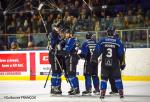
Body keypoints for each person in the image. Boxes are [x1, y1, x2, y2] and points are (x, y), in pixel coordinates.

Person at [91, 26, 126, 99]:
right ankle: (121, 93)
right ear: (114, 32)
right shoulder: (117, 41)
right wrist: (122, 63)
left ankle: (102, 93)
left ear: (107, 32)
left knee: (104, 78)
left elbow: (97, 50)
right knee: (117, 78)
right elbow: (121, 54)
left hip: (105, 63)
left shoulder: (102, 40)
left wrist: (94, 58)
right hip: (115, 64)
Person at [47, 24, 65, 95]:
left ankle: (58, 87)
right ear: (54, 28)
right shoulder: (53, 34)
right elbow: (54, 43)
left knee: (59, 72)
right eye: (57, 27)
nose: (58, 28)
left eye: (59, 27)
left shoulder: (58, 35)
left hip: (59, 55)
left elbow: (60, 44)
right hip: (53, 55)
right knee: (55, 72)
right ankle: (54, 87)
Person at [64, 29, 80, 95]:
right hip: (73, 58)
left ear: (70, 34)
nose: (66, 34)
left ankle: (75, 88)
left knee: (71, 74)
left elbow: (67, 49)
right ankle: (75, 88)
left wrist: (61, 48)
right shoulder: (76, 40)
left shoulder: (71, 40)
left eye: (67, 33)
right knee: (72, 74)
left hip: (71, 58)